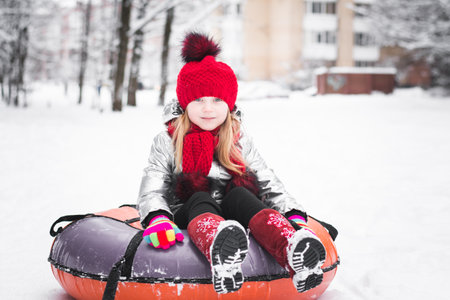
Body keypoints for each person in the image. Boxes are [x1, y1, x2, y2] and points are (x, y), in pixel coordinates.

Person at [137, 32, 326, 294]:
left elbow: (267, 179)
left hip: (233, 214)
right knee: (200, 198)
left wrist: (292, 213)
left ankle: (291, 247)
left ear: (229, 104)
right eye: (198, 100)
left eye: (217, 100)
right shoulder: (168, 140)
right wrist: (157, 217)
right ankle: (221, 249)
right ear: (184, 103)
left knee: (241, 194)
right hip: (188, 213)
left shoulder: (238, 139)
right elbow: (153, 185)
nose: (208, 109)